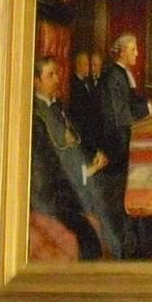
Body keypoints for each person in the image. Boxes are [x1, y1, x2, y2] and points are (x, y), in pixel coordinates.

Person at [31, 55, 117, 258]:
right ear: (36, 82)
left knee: (115, 195)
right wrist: (85, 171)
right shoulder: (35, 118)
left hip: (77, 179)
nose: (57, 79)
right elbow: (46, 167)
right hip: (55, 192)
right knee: (89, 234)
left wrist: (93, 156)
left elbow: (76, 140)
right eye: (50, 75)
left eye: (57, 73)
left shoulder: (57, 106)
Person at [95, 32, 152, 257]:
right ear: (121, 52)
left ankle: (139, 238)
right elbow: (120, 115)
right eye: (133, 49)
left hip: (123, 141)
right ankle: (128, 248)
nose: (137, 53)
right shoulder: (113, 76)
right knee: (122, 200)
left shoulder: (122, 74)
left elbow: (133, 101)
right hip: (116, 147)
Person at [69, 49, 101, 143]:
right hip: (83, 128)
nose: (88, 68)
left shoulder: (88, 81)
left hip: (91, 127)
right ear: (78, 66)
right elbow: (79, 110)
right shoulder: (75, 84)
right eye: (86, 65)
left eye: (88, 65)